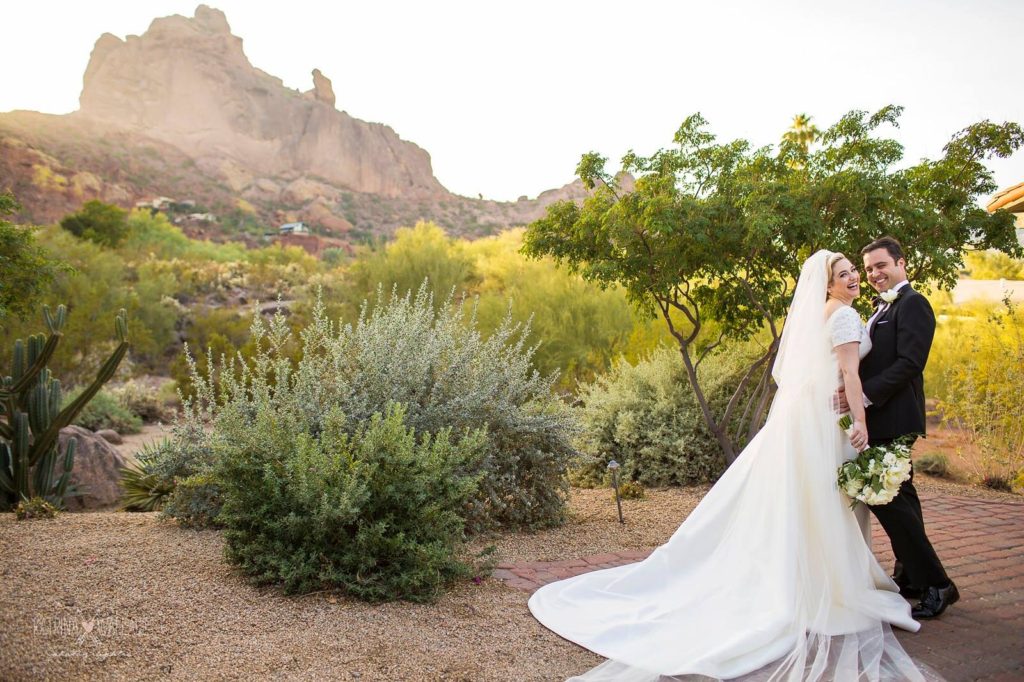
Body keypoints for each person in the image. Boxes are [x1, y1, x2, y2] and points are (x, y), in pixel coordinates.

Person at [529, 250, 933, 681]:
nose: (856, 276)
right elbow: (850, 375)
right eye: (846, 272)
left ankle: (823, 576)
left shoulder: (832, 313)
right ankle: (824, 584)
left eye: (857, 270)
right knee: (825, 500)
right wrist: (860, 421)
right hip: (827, 420)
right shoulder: (847, 317)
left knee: (809, 499)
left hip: (806, 417)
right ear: (827, 283)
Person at [856, 237, 957, 619]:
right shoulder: (880, 307)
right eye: (868, 269)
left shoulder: (913, 304)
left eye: (880, 265)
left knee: (889, 501)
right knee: (904, 501)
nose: (874, 274)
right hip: (881, 417)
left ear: (901, 263)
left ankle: (939, 584)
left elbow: (910, 362)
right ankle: (912, 577)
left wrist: (863, 396)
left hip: (894, 416)